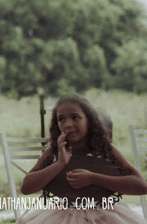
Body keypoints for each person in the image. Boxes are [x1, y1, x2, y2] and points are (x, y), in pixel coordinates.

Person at [19, 94, 147, 222]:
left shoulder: (106, 150)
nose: (68, 124)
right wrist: (60, 163)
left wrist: (93, 178)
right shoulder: (53, 152)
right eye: (61, 119)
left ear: (89, 120)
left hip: (105, 216)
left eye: (75, 117)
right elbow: (26, 188)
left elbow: (141, 186)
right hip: (61, 217)